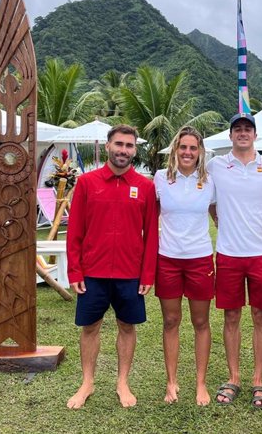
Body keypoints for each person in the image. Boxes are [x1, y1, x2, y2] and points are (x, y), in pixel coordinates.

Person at [66, 124, 159, 410]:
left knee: (127, 326)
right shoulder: (87, 183)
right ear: (108, 146)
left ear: (135, 149)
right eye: (119, 144)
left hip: (130, 273)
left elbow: (152, 233)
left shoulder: (145, 186)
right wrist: (74, 271)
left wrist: (147, 274)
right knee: (90, 327)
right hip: (93, 272)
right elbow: (75, 231)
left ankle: (122, 382)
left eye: (129, 146)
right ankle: (87, 382)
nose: (123, 150)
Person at [207, 112, 262, 408]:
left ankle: (258, 380)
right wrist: (224, 223)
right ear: (230, 135)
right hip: (228, 253)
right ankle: (234, 377)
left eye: (247, 129)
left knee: (261, 316)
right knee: (231, 316)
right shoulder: (216, 165)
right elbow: (211, 205)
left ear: (255, 134)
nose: (242, 133)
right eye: (237, 129)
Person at [154, 126, 215, 406]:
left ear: (200, 152)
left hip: (200, 258)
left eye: (193, 148)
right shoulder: (159, 180)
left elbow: (220, 215)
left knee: (201, 322)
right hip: (167, 259)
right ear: (175, 150)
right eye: (183, 147)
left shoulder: (211, 182)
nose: (188, 152)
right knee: (170, 321)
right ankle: (171, 381)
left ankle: (200, 383)